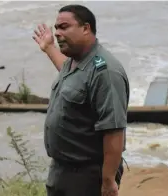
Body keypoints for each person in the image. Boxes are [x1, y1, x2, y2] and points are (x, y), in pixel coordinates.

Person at [32, 4, 129, 196]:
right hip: (62, 170)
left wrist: (108, 181)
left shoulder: (106, 72)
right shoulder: (74, 61)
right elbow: (75, 81)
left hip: (86, 175)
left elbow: (114, 129)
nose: (57, 33)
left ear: (86, 28)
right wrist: (49, 48)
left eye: (64, 27)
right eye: (56, 28)